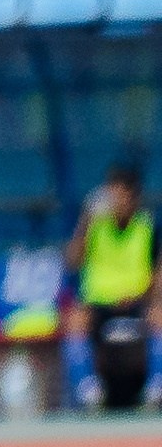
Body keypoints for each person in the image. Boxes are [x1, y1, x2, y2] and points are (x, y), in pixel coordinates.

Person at [62, 160, 161, 411]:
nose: (117, 201)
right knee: (75, 320)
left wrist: (146, 295)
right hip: (100, 302)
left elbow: (158, 273)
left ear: (134, 197)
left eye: (123, 195)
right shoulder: (95, 226)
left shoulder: (147, 227)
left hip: (137, 301)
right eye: (112, 193)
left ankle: (156, 388)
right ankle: (89, 391)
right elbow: (72, 262)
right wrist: (85, 221)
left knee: (160, 315)